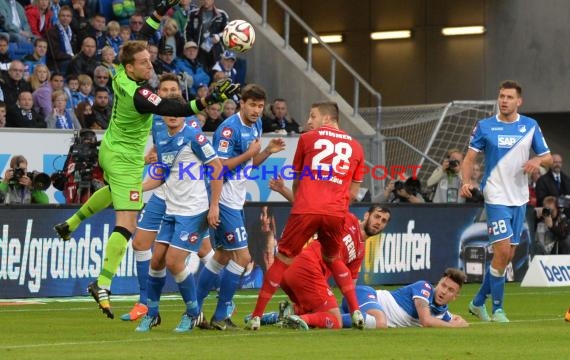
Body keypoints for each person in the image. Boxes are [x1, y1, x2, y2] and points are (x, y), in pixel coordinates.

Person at [52, 2, 240, 319]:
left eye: (149, 59)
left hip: (112, 149)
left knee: (115, 192)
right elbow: (177, 109)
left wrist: (158, 13)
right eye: (143, 62)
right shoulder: (140, 96)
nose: (149, 64)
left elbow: (140, 38)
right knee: (126, 224)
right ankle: (102, 283)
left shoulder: (119, 73)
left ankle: (70, 224)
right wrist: (212, 99)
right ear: (130, 68)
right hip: (124, 159)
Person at [246, 101, 366, 330]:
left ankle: (256, 316)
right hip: (336, 212)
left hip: (306, 209)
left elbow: (298, 178)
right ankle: (357, 311)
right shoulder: (357, 147)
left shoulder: (308, 139)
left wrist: (301, 201)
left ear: (327, 119)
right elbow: (353, 192)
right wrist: (337, 205)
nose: (308, 121)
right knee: (333, 259)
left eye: (313, 116)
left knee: (282, 260)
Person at [120, 73, 216, 322]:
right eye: (165, 90)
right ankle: (146, 305)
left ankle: (216, 297)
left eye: (174, 90)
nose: (170, 94)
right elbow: (161, 151)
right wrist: (150, 159)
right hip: (165, 188)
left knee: (201, 250)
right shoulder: (155, 119)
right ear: (157, 94)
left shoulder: (189, 123)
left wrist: (211, 201)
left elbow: (203, 160)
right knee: (141, 244)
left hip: (187, 194)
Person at [194, 84, 285, 330]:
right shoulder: (228, 129)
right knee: (243, 257)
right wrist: (214, 206)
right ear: (241, 103)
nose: (256, 110)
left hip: (235, 199)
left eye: (260, 106)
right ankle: (221, 313)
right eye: (252, 105)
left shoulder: (255, 125)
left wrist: (266, 151)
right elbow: (219, 167)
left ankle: (195, 310)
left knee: (222, 256)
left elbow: (249, 164)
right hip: (223, 199)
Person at [460, 80, 552, 323]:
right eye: (501, 96)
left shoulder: (530, 126)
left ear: (519, 101)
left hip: (519, 198)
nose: (504, 100)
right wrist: (466, 182)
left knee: (507, 255)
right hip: (495, 196)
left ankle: (477, 302)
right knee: (501, 252)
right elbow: (469, 158)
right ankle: (498, 309)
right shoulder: (485, 126)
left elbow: (549, 158)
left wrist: (538, 162)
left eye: (509, 97)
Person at [247, 178, 391, 330]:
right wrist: (283, 190)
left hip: (298, 272)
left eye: (383, 221)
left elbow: (350, 286)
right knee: (335, 321)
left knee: (319, 311)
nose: (379, 222)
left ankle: (279, 315)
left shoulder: (361, 252)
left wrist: (352, 309)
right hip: (307, 267)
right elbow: (309, 209)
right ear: (367, 215)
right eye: (377, 217)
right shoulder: (348, 219)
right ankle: (297, 318)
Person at [134, 112, 223, 333]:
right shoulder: (162, 139)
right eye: (168, 113)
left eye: (177, 113)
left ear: (184, 117)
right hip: (172, 210)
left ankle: (193, 314)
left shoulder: (195, 137)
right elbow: (162, 175)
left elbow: (218, 168)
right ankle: (152, 314)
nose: (172, 117)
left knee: (174, 262)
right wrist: (138, 188)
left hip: (193, 211)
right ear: (163, 117)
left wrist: (214, 205)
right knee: (156, 261)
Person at [336, 269, 469, 329]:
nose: (444, 291)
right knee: (380, 323)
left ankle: (328, 317)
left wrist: (459, 322)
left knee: (375, 322)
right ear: (437, 284)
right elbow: (426, 321)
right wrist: (452, 326)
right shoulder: (425, 287)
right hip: (365, 295)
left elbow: (459, 321)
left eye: (450, 290)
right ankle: (331, 318)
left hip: (363, 309)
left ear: (455, 297)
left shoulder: (442, 313)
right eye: (443, 285)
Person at [184, 0, 228, 69]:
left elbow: (228, 32)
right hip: (198, 52)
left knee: (215, 75)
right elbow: (187, 32)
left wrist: (218, 37)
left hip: (216, 53)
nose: (205, 1)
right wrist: (192, 46)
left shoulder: (222, 15)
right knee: (200, 75)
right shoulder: (193, 14)